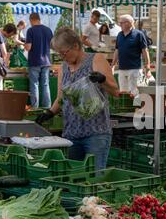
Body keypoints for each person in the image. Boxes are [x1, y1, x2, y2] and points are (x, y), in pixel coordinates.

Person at [35, 28, 119, 170]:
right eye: (59, 53)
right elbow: (61, 98)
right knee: (74, 176)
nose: (62, 57)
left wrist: (102, 79)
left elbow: (115, 91)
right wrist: (49, 113)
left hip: (95, 133)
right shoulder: (64, 68)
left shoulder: (96, 59)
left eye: (64, 52)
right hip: (71, 134)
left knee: (94, 176)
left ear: (75, 46)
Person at [111, 15, 151, 96]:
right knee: (123, 93)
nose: (120, 24)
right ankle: (126, 108)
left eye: (121, 23)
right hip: (122, 69)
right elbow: (117, 51)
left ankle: (136, 108)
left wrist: (148, 67)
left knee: (134, 93)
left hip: (134, 69)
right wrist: (113, 65)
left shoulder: (139, 34)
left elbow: (145, 51)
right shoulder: (119, 35)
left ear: (129, 23)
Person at [24, 13, 53, 108]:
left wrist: (24, 45)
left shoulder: (30, 30)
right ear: (39, 19)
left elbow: (28, 47)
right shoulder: (48, 30)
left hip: (35, 61)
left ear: (31, 20)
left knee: (34, 84)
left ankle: (35, 107)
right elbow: (52, 45)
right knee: (45, 84)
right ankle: (47, 106)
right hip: (47, 61)